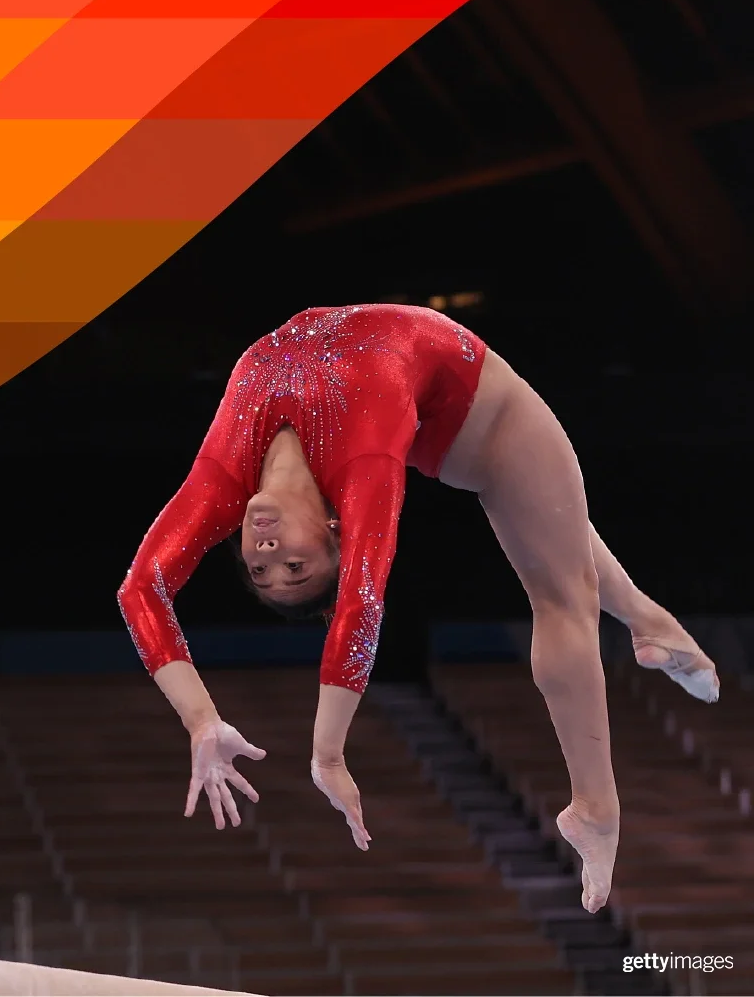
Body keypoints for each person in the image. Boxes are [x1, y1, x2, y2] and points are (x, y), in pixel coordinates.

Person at [116, 304, 718, 914]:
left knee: (562, 541)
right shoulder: (363, 471)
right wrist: (326, 752)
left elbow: (139, 588)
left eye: (259, 569)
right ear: (335, 530)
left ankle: (651, 623)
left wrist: (202, 722)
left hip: (416, 401)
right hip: (484, 419)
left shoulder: (225, 480)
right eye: (295, 569)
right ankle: (596, 809)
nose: (267, 555)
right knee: (564, 598)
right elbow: (363, 599)